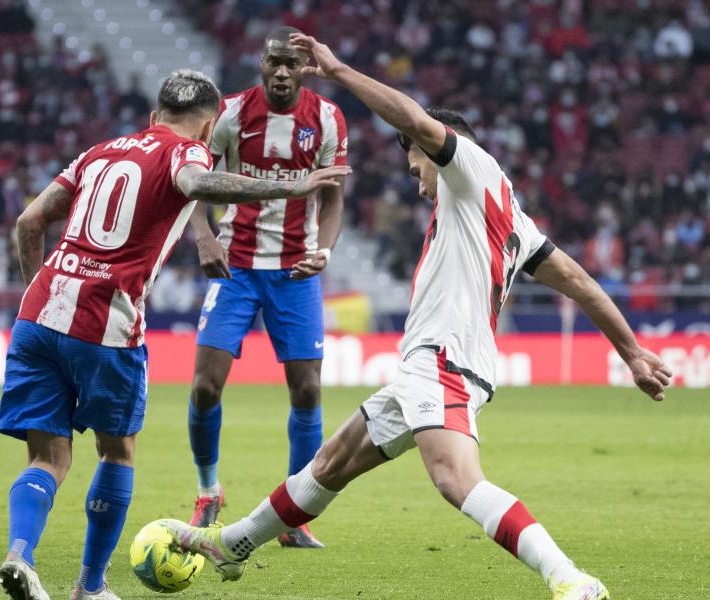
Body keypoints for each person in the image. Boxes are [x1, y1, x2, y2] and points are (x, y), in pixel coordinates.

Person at [169, 34, 672, 600]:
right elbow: (578, 282)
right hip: (432, 367)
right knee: (331, 463)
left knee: (455, 479)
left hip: (444, 361)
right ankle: (232, 543)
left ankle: (570, 578)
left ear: (440, 149)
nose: (416, 177)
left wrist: (339, 72)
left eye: (416, 162)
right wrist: (631, 352)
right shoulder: (513, 217)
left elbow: (413, 115)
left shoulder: (469, 168)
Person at [0, 69, 349, 600]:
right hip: (105, 322)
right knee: (116, 454)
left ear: (154, 116)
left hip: (39, 313)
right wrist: (289, 185)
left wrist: (41, 298)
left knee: (48, 459)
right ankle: (90, 587)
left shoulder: (100, 151)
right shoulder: (189, 153)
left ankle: (19, 554)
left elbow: (28, 222)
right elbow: (197, 183)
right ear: (210, 130)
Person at [184, 25, 348, 549]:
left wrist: (325, 251)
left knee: (308, 390)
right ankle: (209, 490)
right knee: (205, 385)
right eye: (273, 62)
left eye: (291, 64)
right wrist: (205, 235)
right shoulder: (230, 113)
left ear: (305, 68)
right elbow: (192, 182)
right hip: (234, 267)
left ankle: (293, 516)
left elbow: (334, 196)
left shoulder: (326, 118)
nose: (281, 71)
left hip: (295, 272)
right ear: (260, 62)